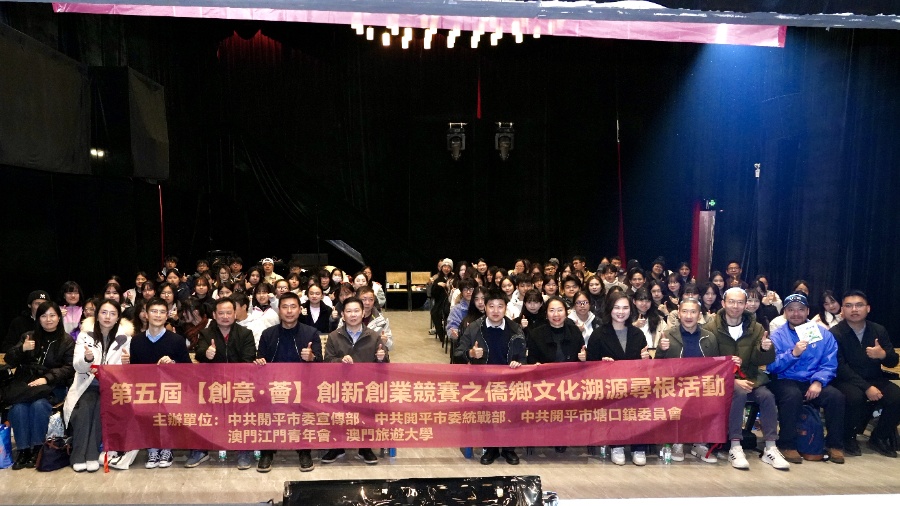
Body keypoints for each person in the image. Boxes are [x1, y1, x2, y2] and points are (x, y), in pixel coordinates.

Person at [704, 287, 790, 470]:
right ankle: (735, 445)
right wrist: (731, 378)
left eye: (740, 302)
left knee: (767, 396)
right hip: (721, 380)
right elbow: (708, 361)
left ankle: (770, 447)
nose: (735, 306)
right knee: (739, 392)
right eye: (731, 302)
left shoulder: (756, 328)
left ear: (745, 305)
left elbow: (761, 361)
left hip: (750, 377)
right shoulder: (710, 328)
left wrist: (765, 349)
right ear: (723, 303)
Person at [767, 293, 845, 464]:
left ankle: (834, 444)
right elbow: (771, 366)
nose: (796, 314)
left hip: (813, 380)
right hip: (785, 379)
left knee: (836, 397)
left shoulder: (823, 334)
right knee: (792, 395)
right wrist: (793, 354)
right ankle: (787, 444)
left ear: (808, 311)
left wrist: (818, 381)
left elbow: (830, 363)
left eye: (801, 309)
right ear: (785, 312)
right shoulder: (778, 336)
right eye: (791, 310)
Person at [251, 292, 321, 472]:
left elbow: (322, 365)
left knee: (306, 405)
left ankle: (304, 450)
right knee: (264, 404)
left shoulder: (311, 333)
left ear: (299, 310)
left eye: (293, 307)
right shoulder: (268, 334)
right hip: (274, 387)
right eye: (285, 307)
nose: (289, 311)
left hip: (302, 388)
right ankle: (267, 450)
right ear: (279, 311)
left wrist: (312, 357)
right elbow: (260, 360)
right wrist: (260, 362)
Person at [454, 288, 525, 465]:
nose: (495, 310)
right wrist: (471, 353)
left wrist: (518, 362)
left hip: (509, 382)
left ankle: (508, 449)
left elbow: (523, 356)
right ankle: (491, 448)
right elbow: (458, 353)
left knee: (511, 414)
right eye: (491, 306)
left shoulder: (515, 329)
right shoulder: (474, 328)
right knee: (486, 415)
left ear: (506, 308)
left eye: (500, 306)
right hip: (482, 383)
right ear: (484, 307)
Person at [4, 300, 75, 470]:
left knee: (39, 405)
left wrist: (47, 378)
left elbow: (69, 368)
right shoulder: (28, 336)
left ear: (59, 318)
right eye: (44, 316)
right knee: (19, 408)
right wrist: (22, 349)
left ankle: (37, 449)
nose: (48, 319)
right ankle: (23, 450)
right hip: (26, 385)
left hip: (52, 387)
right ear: (38, 318)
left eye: (52, 315)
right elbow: (9, 360)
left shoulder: (66, 340)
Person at [64, 299, 133, 472]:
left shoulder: (125, 339)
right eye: (104, 312)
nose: (107, 317)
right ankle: (78, 456)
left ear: (118, 317)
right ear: (97, 315)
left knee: (100, 409)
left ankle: (92, 455)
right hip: (87, 385)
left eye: (112, 313)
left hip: (111, 387)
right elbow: (77, 367)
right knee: (85, 409)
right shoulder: (84, 336)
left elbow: (125, 374)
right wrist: (87, 359)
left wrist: (126, 363)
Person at [831, 290, 900, 458]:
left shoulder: (878, 330)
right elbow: (840, 367)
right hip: (845, 380)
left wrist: (882, 355)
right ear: (842, 310)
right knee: (855, 397)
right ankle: (848, 437)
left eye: (859, 305)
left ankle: (879, 437)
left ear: (868, 308)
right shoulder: (835, 333)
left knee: (897, 396)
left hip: (875, 378)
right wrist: (867, 387)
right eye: (849, 306)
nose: (854, 309)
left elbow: (893, 361)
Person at [586, 291, 651, 465]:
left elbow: (646, 364)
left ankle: (638, 447)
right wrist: (601, 364)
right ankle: (617, 446)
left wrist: (647, 359)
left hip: (635, 388)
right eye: (616, 308)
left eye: (625, 308)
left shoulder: (637, 334)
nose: (621, 312)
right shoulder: (598, 334)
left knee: (640, 406)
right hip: (610, 390)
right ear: (609, 309)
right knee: (615, 408)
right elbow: (589, 366)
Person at [322, 297, 388, 466]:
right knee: (336, 413)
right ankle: (337, 446)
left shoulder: (373, 336)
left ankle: (365, 448)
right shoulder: (334, 336)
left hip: (365, 387)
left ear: (363, 313)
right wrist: (340, 361)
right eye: (349, 311)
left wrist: (381, 358)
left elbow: (384, 365)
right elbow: (327, 361)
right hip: (340, 386)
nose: (353, 315)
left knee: (366, 413)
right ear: (343, 315)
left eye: (356, 311)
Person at [129, 297, 192, 469]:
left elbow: (188, 370)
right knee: (145, 404)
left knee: (167, 405)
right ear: (146, 314)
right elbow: (133, 372)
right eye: (154, 311)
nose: (158, 315)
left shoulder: (177, 340)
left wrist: (173, 365)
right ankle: (152, 448)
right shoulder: (136, 341)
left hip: (171, 390)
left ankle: (166, 448)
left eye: (162, 312)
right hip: (146, 390)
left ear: (167, 315)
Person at [655, 297, 720, 463]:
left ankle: (700, 443)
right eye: (684, 311)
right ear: (678, 313)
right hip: (674, 386)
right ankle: (677, 441)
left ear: (699, 315)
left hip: (702, 386)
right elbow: (657, 366)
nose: (689, 316)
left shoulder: (710, 337)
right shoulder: (668, 335)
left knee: (711, 398)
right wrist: (661, 350)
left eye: (693, 312)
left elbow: (716, 365)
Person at [529, 296, 585, 364]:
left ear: (566, 313)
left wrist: (583, 357)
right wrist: (536, 364)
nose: (556, 314)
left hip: (572, 371)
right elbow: (531, 359)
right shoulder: (536, 334)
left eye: (560, 310)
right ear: (546, 314)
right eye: (552, 310)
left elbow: (583, 353)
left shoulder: (575, 331)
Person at [446, 277, 476, 343]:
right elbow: (451, 327)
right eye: (465, 289)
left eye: (471, 289)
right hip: (463, 342)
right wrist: (455, 333)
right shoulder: (456, 309)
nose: (468, 292)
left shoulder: (481, 307)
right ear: (461, 292)